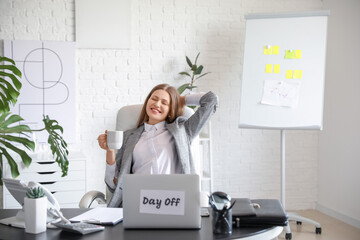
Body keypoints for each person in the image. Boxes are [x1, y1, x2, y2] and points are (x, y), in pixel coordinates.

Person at [97, 83, 218, 207]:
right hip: (139, 202)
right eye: (154, 99)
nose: (157, 104)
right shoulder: (128, 137)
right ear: (147, 101)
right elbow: (114, 185)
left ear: (171, 109)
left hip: (174, 202)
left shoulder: (182, 130)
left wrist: (181, 99)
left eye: (164, 103)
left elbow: (211, 100)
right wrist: (109, 151)